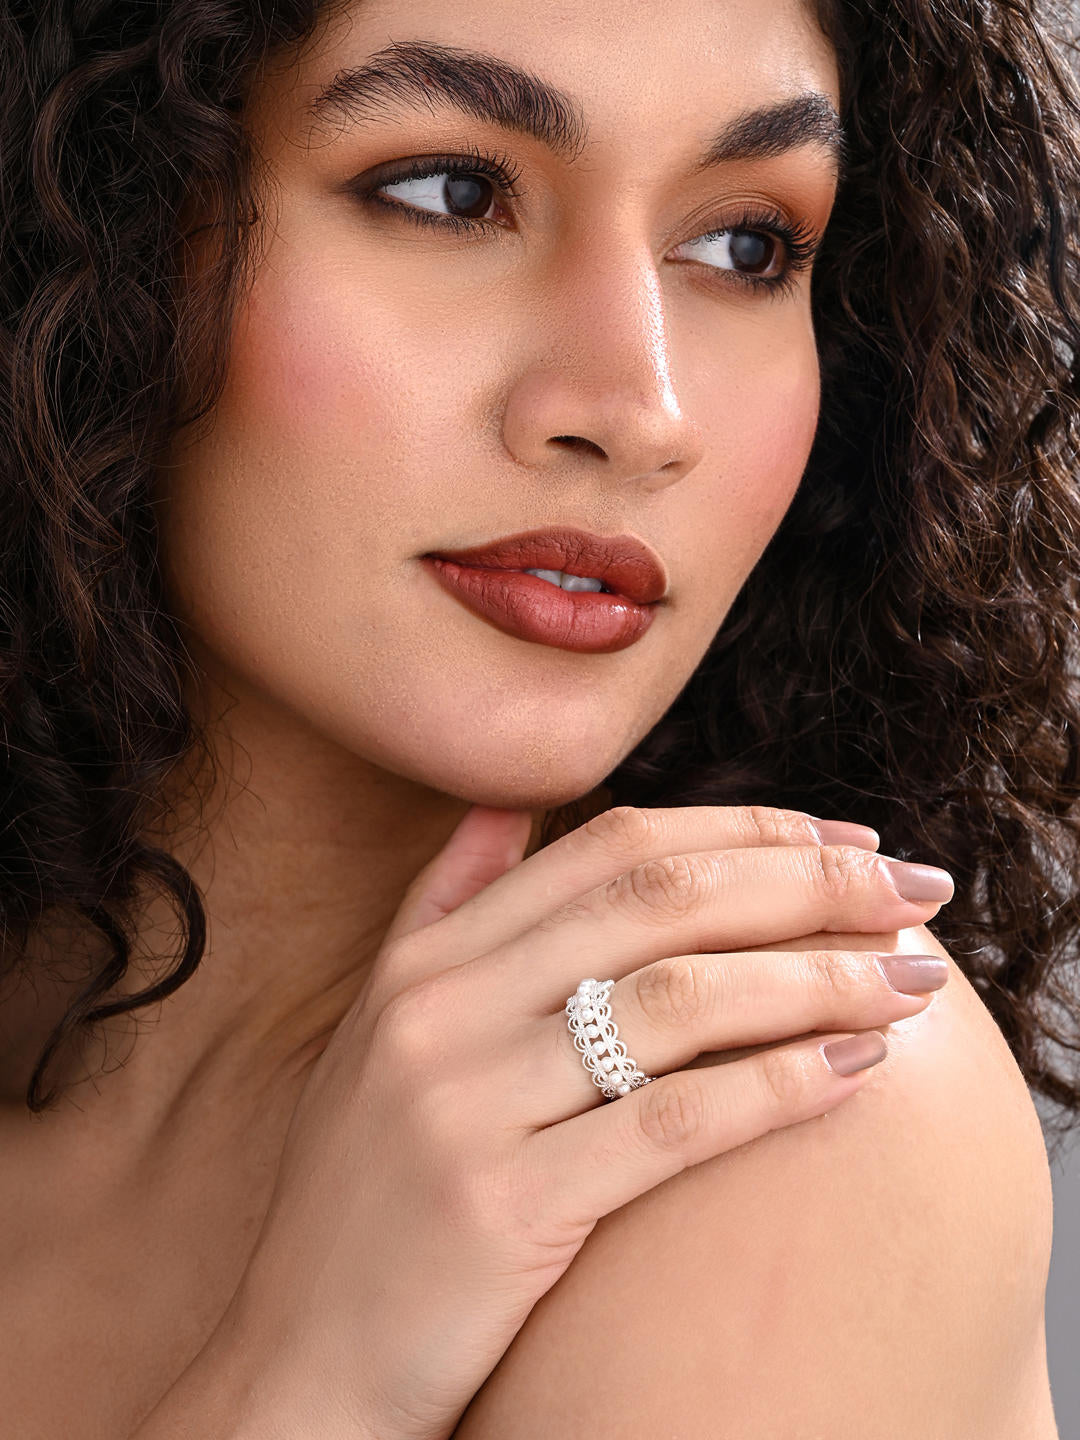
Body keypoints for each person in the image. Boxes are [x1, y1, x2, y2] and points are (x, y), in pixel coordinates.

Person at [0, 0, 1076, 1434]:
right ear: (99, 219)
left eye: (746, 246)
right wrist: (307, 1379)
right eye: (453, 194)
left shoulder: (780, 1111)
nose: (640, 409)